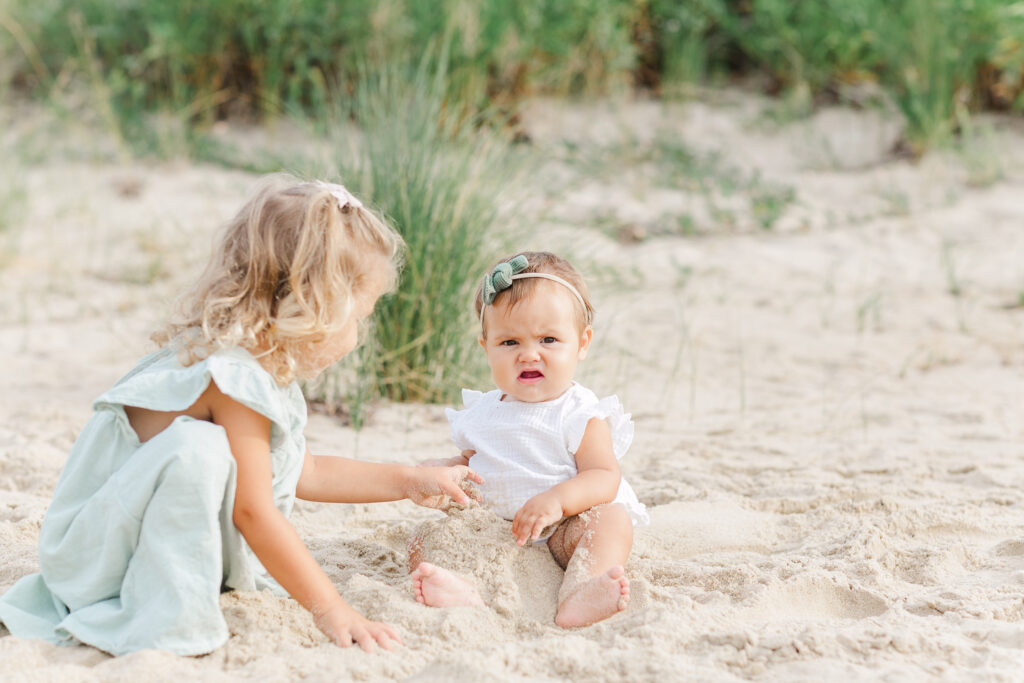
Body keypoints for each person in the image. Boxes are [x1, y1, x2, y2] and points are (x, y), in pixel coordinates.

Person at [0, 175, 482, 656]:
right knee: (200, 451)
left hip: (110, 540)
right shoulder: (231, 377)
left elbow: (302, 470)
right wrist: (332, 607)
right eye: (358, 318)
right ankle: (167, 623)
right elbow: (255, 511)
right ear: (313, 304)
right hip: (89, 560)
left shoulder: (257, 366)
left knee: (206, 452)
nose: (357, 337)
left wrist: (408, 479)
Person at [410, 251, 649, 628]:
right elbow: (472, 463)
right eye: (509, 343)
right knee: (425, 537)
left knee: (610, 522)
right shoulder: (482, 412)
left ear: (582, 343)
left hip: (564, 529)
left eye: (549, 339)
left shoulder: (579, 412)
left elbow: (604, 476)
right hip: (494, 531)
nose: (529, 354)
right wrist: (442, 473)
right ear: (486, 347)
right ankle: (462, 589)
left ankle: (582, 588)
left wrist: (557, 501)